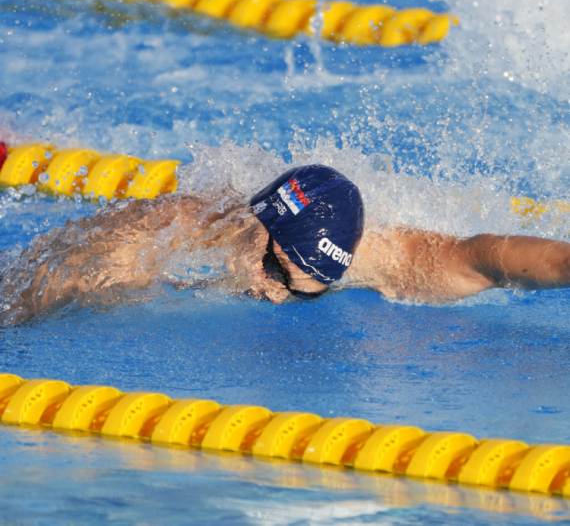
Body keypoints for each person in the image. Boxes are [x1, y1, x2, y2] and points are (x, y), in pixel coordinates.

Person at [1, 163, 570, 326]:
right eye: (276, 274)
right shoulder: (149, 240)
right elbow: (27, 289)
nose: (276, 296)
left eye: (307, 293)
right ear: (261, 229)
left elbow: (489, 255)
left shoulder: (383, 257)